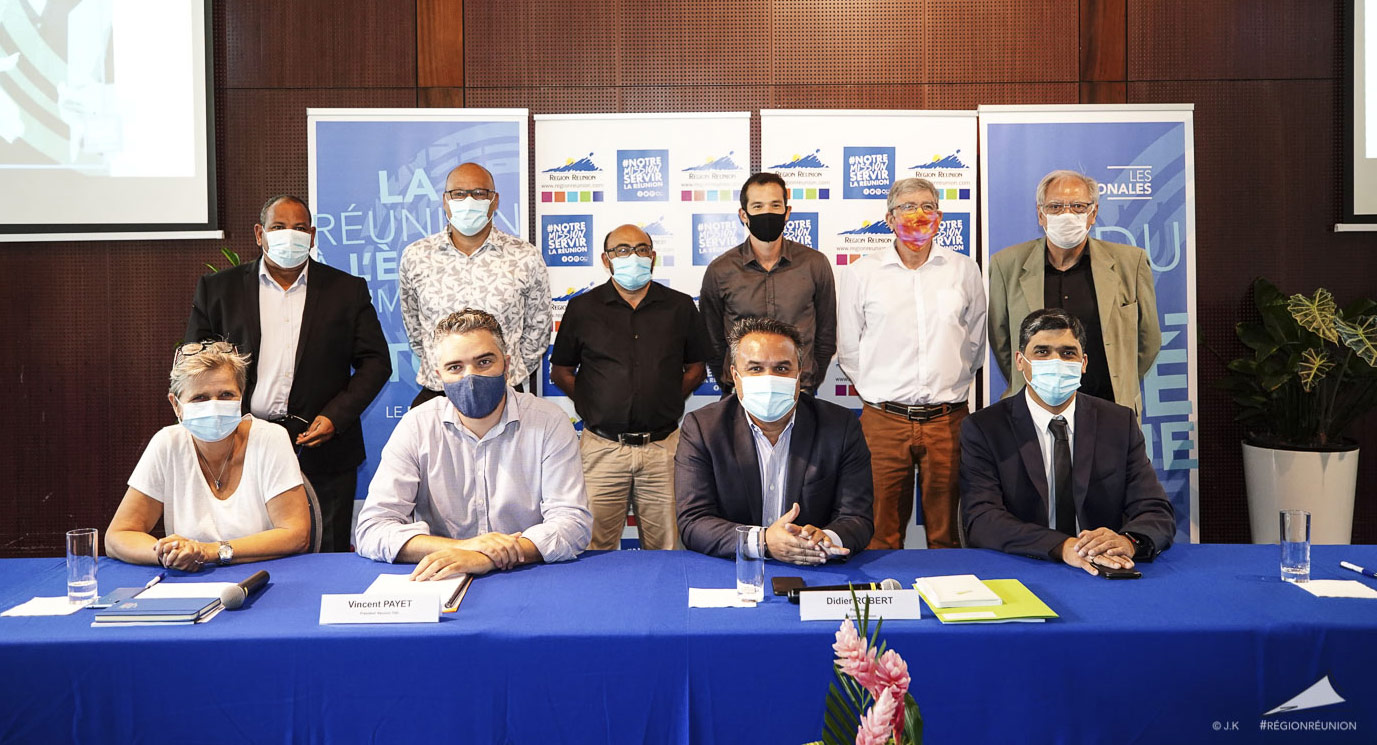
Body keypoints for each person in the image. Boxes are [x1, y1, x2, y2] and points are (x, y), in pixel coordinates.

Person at [185, 195, 391, 552]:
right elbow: (194, 367)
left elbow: (376, 362)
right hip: (241, 444)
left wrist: (336, 416)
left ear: (312, 235)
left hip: (322, 447)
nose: (289, 235)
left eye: (299, 228)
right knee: (250, 549)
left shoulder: (346, 290)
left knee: (326, 553)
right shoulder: (219, 290)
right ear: (259, 234)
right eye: (278, 227)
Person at [355, 308, 591, 580]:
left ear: (507, 366)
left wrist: (487, 558)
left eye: (484, 362)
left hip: (528, 575)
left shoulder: (549, 422)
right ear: (439, 376)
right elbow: (373, 529)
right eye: (455, 367)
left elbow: (572, 524)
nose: (471, 377)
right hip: (443, 578)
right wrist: (466, 549)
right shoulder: (416, 426)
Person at [959, 309, 1175, 575]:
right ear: (1020, 361)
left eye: (1067, 353)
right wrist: (1063, 547)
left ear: (1083, 363)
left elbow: (1155, 510)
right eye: (1042, 352)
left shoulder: (1118, 423)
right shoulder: (985, 428)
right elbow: (982, 519)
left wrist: (1127, 542)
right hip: (1023, 566)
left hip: (1102, 569)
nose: (1056, 362)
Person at [837, 177, 986, 550]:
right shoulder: (862, 273)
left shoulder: (964, 270)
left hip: (948, 420)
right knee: (879, 535)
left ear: (939, 217)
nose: (918, 215)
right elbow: (849, 348)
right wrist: (881, 389)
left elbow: (975, 342)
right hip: (883, 421)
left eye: (927, 207)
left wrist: (948, 383)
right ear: (889, 219)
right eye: (907, 207)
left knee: (947, 536)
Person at [550, 224, 708, 551]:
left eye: (641, 249)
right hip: (602, 449)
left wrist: (666, 397)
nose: (632, 256)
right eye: (622, 250)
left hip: (663, 449)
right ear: (606, 259)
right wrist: (593, 402)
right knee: (592, 549)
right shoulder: (582, 308)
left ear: (653, 257)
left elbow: (696, 368)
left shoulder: (679, 307)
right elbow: (561, 371)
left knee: (667, 549)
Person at [675, 317, 873, 564]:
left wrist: (826, 539)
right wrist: (764, 541)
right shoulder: (703, 428)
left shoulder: (840, 427)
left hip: (814, 568)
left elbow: (857, 517)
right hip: (734, 568)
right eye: (755, 369)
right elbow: (694, 521)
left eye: (781, 369)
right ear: (735, 376)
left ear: (799, 374)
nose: (768, 379)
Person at [106, 343, 310, 570]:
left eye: (226, 395)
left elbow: (297, 534)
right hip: (191, 581)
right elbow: (118, 536)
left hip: (267, 576)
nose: (214, 406)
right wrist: (169, 554)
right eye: (200, 398)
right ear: (176, 405)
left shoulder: (271, 438)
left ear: (241, 397)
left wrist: (210, 551)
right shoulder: (167, 443)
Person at [987, 169, 1161, 414]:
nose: (1067, 215)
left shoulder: (1130, 263)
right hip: (1036, 410)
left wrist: (1121, 379)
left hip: (1110, 407)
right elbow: (1002, 342)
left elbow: (1148, 340)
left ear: (1093, 213)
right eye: (1055, 207)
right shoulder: (1007, 264)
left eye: (1078, 206)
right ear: (1041, 214)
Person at [399, 162, 552, 407]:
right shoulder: (416, 256)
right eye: (459, 193)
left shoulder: (525, 256)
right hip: (439, 393)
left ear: (495, 200)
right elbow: (415, 329)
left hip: (502, 392)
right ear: (445, 201)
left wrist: (507, 372)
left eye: (479, 193)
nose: (469, 201)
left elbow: (538, 328)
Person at [699, 172, 836, 395]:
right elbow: (712, 341)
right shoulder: (720, 270)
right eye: (758, 206)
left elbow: (826, 335)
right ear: (743, 215)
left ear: (787, 212)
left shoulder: (815, 264)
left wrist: (807, 381)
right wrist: (732, 383)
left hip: (799, 390)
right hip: (742, 392)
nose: (767, 213)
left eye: (775, 205)